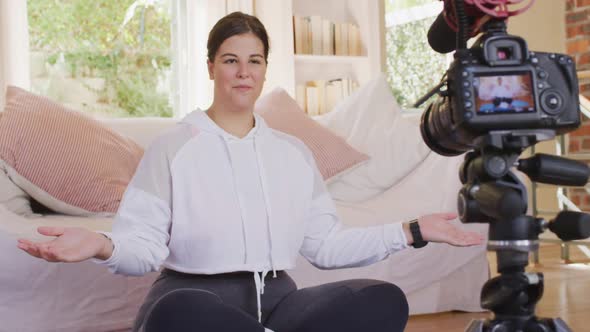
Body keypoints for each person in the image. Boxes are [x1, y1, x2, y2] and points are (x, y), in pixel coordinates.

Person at [17, 12, 484, 332]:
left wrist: (414, 230)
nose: (244, 72)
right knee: (180, 314)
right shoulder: (173, 148)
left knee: (383, 299)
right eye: (231, 60)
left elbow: (325, 246)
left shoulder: (293, 153)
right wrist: (101, 244)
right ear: (211, 67)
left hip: (278, 298)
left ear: (264, 70)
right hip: (195, 298)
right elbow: (142, 248)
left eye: (254, 61)